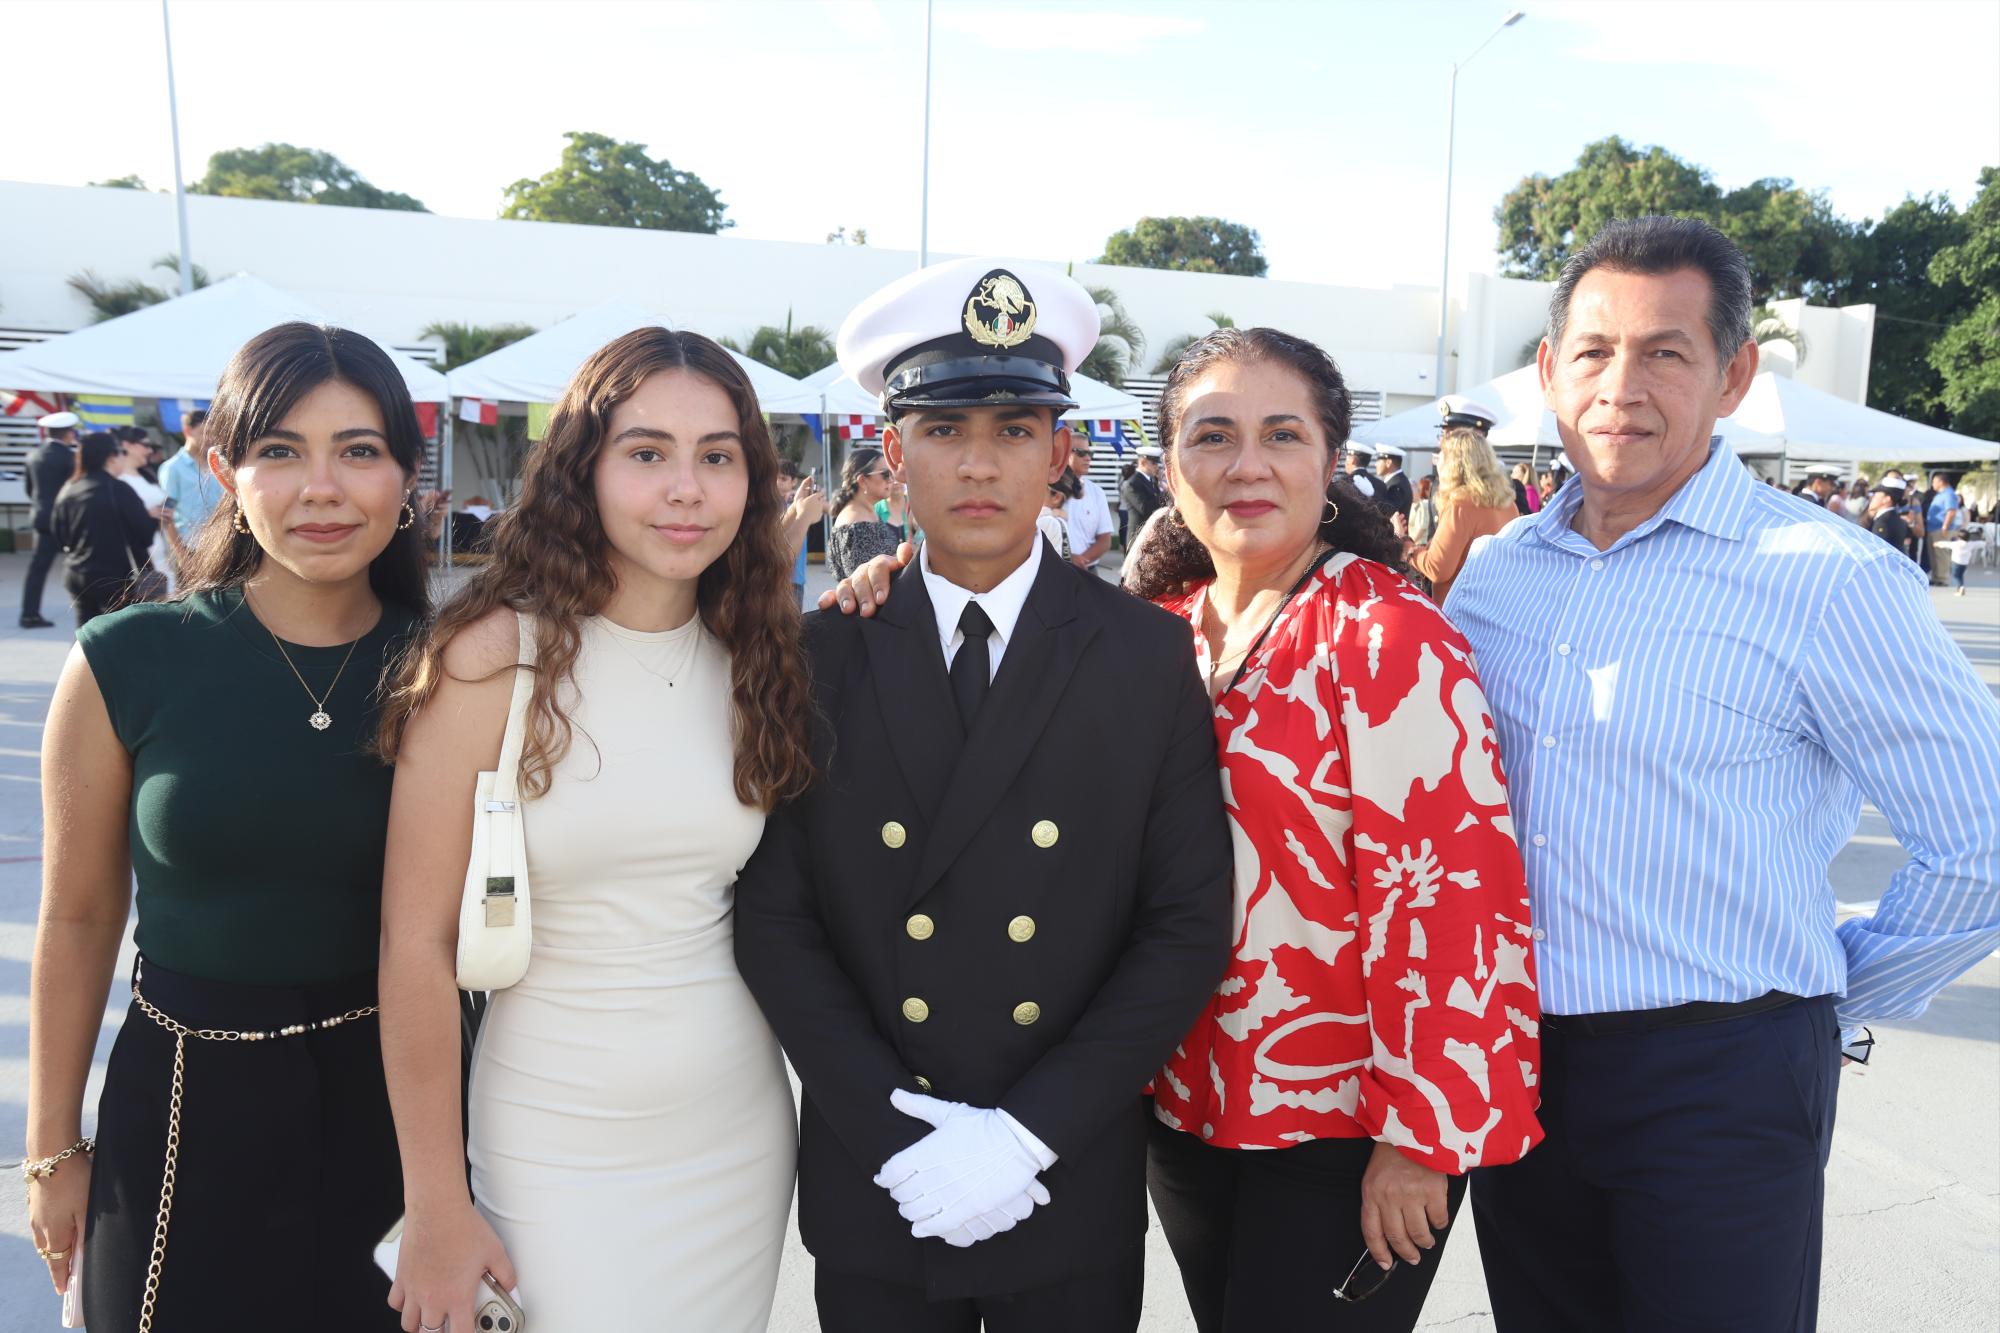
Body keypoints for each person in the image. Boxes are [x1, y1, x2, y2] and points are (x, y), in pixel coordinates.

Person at [1448, 215, 2000, 1333]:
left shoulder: (1823, 578)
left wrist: (1821, 997)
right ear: (1547, 374)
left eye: (1665, 352)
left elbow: (1977, 836)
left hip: (1720, 1078)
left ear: (1732, 375)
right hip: (1515, 1069)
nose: (1621, 386)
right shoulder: (1493, 579)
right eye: (1593, 352)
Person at [734, 256, 1233, 1333]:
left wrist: (1025, 1133)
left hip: (1064, 1167)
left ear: (1060, 454)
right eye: (943, 429)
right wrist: (896, 1130)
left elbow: (1185, 922)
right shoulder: (817, 657)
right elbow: (777, 919)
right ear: (892, 453)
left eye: (1014, 430)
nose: (978, 463)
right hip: (885, 1173)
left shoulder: (1142, 656)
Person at [375, 328, 812, 1333]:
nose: (685, 490)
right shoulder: (492, 656)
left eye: (717, 456)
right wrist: (437, 1200)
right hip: (551, 1133)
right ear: (584, 468)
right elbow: (414, 946)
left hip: (734, 1133)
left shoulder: (760, 656)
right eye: (646, 452)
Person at [1119, 327, 1542, 1332]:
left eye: (1281, 433)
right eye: (1211, 435)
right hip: (1187, 1102)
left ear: (1329, 457)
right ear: (1172, 463)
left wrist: (1423, 1138)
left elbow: (1454, 899)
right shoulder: (1157, 634)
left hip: (1348, 1126)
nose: (1246, 463)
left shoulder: (1386, 633)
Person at [27, 323, 430, 1332]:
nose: (322, 488)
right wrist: (51, 1149)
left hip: (405, 1109)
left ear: (407, 475)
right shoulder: (129, 658)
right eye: (280, 451)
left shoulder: (456, 667)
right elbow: (75, 919)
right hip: (178, 1109)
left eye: (360, 450)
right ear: (223, 472)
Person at [50, 433, 157, 627]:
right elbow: (144, 534)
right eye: (121, 452)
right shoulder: (118, 489)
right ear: (110, 457)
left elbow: (58, 536)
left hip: (75, 573)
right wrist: (153, 518)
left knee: (85, 634)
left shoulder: (69, 489)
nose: (123, 457)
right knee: (117, 634)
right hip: (113, 578)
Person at [1407, 426, 1520, 608]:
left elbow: (1437, 569)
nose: (1437, 463)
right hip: (1495, 609)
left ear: (1453, 463)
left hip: (1458, 615)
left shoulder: (1460, 504)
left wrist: (1408, 549)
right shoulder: (1508, 504)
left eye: (1441, 455)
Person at [21, 410, 80, 627]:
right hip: (67, 522)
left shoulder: (33, 455)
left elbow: (30, 489)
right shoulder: (70, 458)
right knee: (80, 567)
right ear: (68, 434)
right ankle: (86, 613)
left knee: (37, 570)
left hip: (41, 518)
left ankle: (28, 613)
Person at [113, 426, 174, 599]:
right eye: (145, 445)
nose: (149, 451)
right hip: (141, 560)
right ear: (127, 445)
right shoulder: (118, 481)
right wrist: (145, 514)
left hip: (163, 552)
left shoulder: (147, 475)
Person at [828, 445, 903, 580]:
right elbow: (865, 580)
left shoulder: (865, 512)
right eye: (885, 474)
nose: (891, 480)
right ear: (862, 481)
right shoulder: (856, 525)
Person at [779, 456, 828, 608]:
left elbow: (775, 533)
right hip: (779, 580)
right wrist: (804, 516)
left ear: (794, 481)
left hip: (795, 578)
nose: (777, 483)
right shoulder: (763, 504)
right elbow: (777, 553)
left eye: (783, 478)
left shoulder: (786, 503)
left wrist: (796, 506)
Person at [1063, 436, 1117, 572]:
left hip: (1087, 570)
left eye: (1090, 453)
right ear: (1064, 453)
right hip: (1054, 570)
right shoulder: (1046, 489)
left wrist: (1079, 561)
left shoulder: (1096, 493)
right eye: (1081, 453)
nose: (1088, 458)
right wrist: (1068, 559)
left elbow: (1105, 540)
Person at [1119, 443, 1168, 539]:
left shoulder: (1151, 480)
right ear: (1143, 462)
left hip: (1152, 534)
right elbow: (1144, 508)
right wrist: (1165, 494)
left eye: (1157, 463)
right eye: (1153, 463)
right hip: (1139, 536)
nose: (1157, 466)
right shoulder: (1131, 483)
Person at [1867, 477, 1915, 558]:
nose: (1872, 498)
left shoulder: (1883, 522)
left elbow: (1879, 552)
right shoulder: (1895, 518)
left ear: (1886, 499)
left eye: (1876, 495)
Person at [1372, 443, 1413, 520]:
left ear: (1388, 462)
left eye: (1379, 460)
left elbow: (1387, 511)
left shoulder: (1397, 484)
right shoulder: (1396, 480)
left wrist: (1372, 493)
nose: (1375, 464)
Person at [1942, 526, 1977, 595]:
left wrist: (1937, 544)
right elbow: (1979, 543)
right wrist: (1986, 543)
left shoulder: (1956, 544)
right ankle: (1960, 588)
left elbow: (1946, 544)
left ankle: (1961, 587)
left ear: (1959, 537)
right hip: (1965, 563)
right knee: (1960, 575)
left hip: (1956, 562)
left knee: (1956, 575)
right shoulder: (1970, 544)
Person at [1408, 474, 1439, 545]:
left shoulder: (1423, 504)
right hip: (1414, 542)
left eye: (1411, 488)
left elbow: (1422, 527)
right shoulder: (1413, 505)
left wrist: (1412, 543)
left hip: (1419, 543)